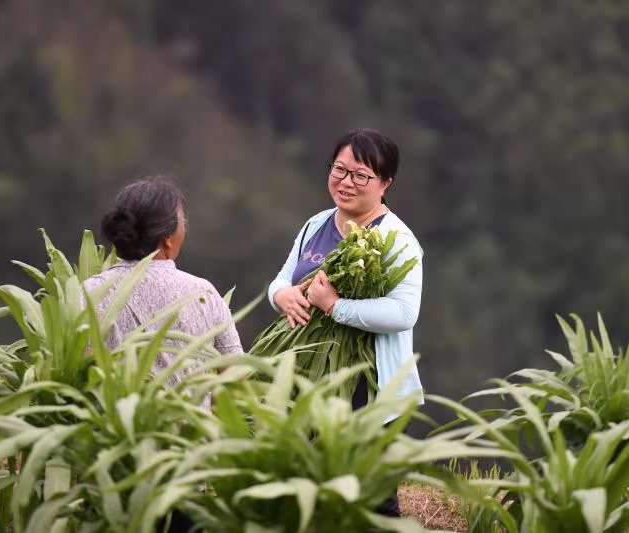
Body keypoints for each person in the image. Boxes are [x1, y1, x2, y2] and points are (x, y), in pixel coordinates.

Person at [267, 128, 424, 517]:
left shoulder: (397, 239)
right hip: (310, 385)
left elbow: (404, 314)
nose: (346, 182)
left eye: (361, 175)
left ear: (386, 183)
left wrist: (335, 306)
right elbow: (285, 278)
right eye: (340, 169)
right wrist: (280, 296)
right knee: (309, 497)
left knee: (371, 504)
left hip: (370, 392)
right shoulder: (316, 224)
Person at [83, 177, 242, 532]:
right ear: (168, 239)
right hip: (186, 470)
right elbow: (234, 376)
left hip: (113, 473)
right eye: (182, 219)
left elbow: (79, 369)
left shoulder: (89, 292)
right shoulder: (202, 292)